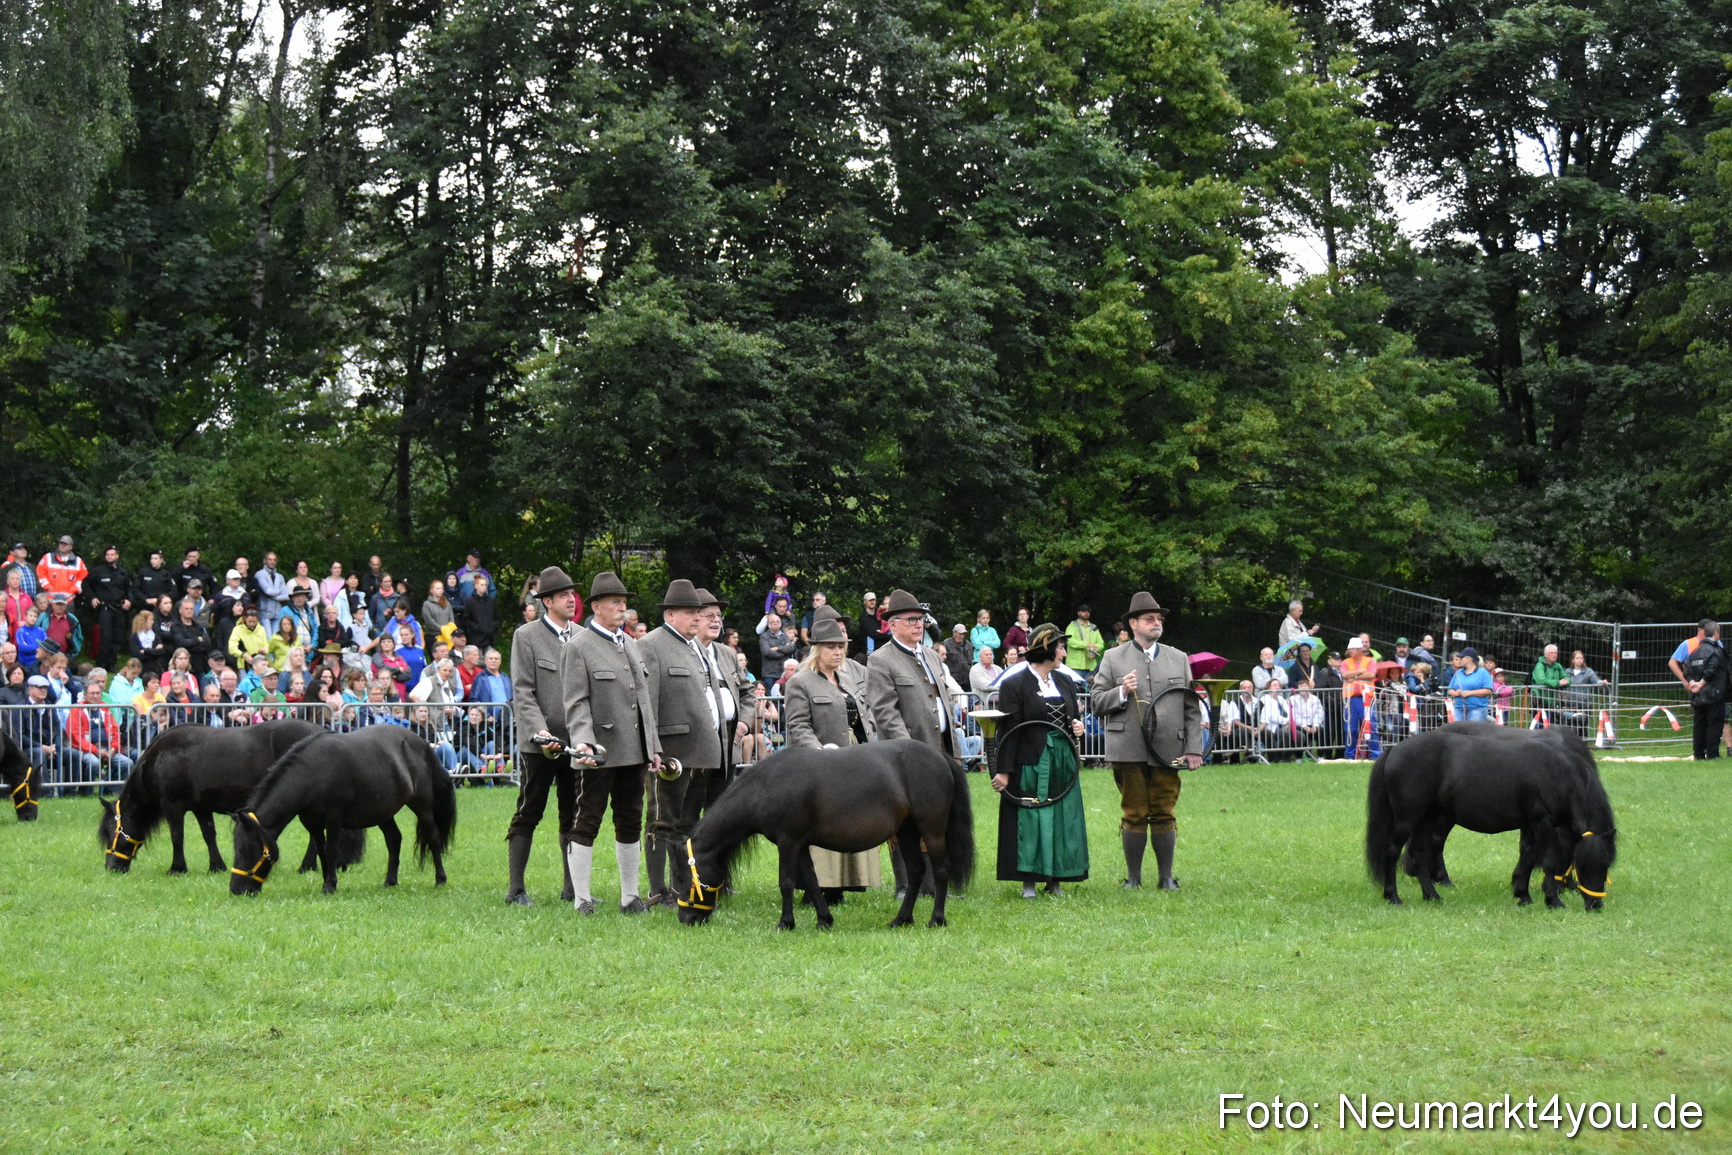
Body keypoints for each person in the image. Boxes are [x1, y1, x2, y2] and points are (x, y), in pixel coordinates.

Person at [559, 571, 662, 915]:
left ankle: (630, 896)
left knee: (630, 818)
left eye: (624, 603)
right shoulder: (578, 646)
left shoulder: (630, 643)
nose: (623, 609)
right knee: (587, 819)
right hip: (598, 752)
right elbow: (575, 701)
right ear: (597, 607)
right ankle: (582, 898)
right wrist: (584, 743)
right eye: (616, 603)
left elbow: (644, 701)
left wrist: (654, 747)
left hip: (633, 749)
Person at [1089, 591, 1203, 890]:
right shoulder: (1113, 657)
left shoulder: (1178, 658)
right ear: (1134, 624)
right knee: (1134, 812)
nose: (1157, 623)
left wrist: (1193, 749)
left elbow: (1191, 708)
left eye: (1159, 618)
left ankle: (1166, 878)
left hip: (1168, 750)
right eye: (1150, 619)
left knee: (1164, 811)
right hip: (1128, 750)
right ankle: (1134, 878)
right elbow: (1096, 702)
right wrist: (1122, 692)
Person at [637, 580, 732, 909]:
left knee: (687, 824)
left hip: (701, 752)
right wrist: (652, 748)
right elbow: (645, 703)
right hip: (670, 752)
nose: (697, 617)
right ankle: (656, 891)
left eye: (698, 612)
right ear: (670, 613)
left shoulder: (696, 648)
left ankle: (681, 888)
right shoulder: (651, 645)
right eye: (690, 612)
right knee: (661, 821)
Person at [867, 589, 962, 896]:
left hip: (942, 750)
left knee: (939, 818)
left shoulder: (932, 655)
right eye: (911, 620)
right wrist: (910, 753)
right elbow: (884, 711)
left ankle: (937, 882)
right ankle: (907, 884)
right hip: (906, 757)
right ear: (892, 624)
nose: (919, 625)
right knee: (904, 821)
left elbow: (943, 698)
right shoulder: (880, 660)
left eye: (921, 619)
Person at [782, 612, 878, 901]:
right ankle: (817, 887)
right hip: (817, 764)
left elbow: (865, 717)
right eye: (831, 647)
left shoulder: (847, 679)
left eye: (841, 646)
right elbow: (798, 726)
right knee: (820, 823)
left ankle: (843, 884)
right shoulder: (801, 682)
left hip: (852, 758)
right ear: (816, 649)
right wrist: (819, 754)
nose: (838, 652)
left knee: (848, 820)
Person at [990, 623, 1089, 898]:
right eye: (1060, 648)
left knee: (1061, 818)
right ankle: (1029, 880)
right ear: (1045, 650)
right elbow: (1008, 731)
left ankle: (1057, 877)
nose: (1064, 654)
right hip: (1030, 761)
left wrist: (1076, 727)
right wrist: (1004, 771)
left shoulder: (1065, 681)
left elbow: (1070, 719)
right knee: (1032, 818)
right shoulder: (1014, 684)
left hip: (1063, 761)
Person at [65, 680, 133, 785]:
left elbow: (115, 731)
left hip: (108, 749)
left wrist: (113, 749)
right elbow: (75, 736)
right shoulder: (77, 710)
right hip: (86, 750)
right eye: (92, 693)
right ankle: (87, 792)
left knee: (127, 763)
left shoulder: (105, 709)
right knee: (94, 763)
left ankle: (109, 789)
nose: (95, 696)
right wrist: (96, 751)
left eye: (98, 693)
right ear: (85, 695)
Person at [1682, 622, 1727, 760]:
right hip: (1714, 693)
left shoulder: (1694, 652)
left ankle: (1698, 754)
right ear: (1717, 633)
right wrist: (1701, 684)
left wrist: (1692, 683)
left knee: (1699, 724)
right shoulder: (1716, 651)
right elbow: (1712, 670)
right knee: (1714, 722)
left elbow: (1686, 669)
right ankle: (1713, 754)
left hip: (1697, 695)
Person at [85, 545, 132, 668]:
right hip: (105, 608)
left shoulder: (123, 572)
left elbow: (129, 589)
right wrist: (92, 598)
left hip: (119, 609)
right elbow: (86, 585)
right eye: (108, 555)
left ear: (117, 556)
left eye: (112, 554)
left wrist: (129, 601)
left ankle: (112, 664)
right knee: (106, 637)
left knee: (118, 637)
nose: (110, 557)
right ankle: (101, 664)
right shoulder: (98, 571)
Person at [1340, 637, 1377, 758]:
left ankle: (1375, 754)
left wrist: (1354, 677)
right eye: (1349, 649)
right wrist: (1360, 671)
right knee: (1350, 729)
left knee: (1370, 727)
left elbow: (1371, 674)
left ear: (1359, 649)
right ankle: (1350, 755)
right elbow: (1345, 675)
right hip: (1350, 700)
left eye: (1352, 649)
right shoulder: (1346, 662)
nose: (1350, 651)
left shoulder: (1370, 661)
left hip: (1366, 700)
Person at [36, 535, 88, 608]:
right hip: (49, 600)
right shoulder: (48, 557)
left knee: (67, 619)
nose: (62, 545)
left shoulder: (78, 561)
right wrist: (47, 586)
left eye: (65, 544)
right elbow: (40, 573)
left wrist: (75, 588)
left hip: (68, 600)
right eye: (61, 543)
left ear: (71, 547)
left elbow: (84, 577)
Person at [165, 598, 213, 674]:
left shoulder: (199, 626)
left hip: (201, 666)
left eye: (191, 609)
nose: (189, 610)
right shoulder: (175, 627)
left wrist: (191, 645)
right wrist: (197, 640)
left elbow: (207, 643)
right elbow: (181, 643)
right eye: (187, 608)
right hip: (183, 668)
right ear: (180, 610)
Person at [1447, 647, 1495, 722]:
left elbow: (1489, 690)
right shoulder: (1458, 672)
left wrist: (1469, 693)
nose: (1459, 660)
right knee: (1456, 732)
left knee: (1472, 733)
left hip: (1477, 709)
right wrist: (1455, 693)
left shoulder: (1483, 672)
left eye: (1461, 658)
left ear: (1468, 659)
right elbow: (1450, 689)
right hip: (1458, 708)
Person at [456, 574, 498, 649]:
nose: (484, 587)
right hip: (476, 638)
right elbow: (466, 619)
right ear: (476, 586)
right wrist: (476, 627)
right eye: (481, 585)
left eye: (485, 585)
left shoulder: (491, 601)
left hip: (489, 637)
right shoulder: (470, 602)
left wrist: (492, 627)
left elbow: (496, 617)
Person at [1063, 604, 1104, 677]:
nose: (1086, 613)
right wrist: (1085, 644)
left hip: (1090, 666)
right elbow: (1070, 641)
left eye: (1088, 611)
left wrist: (1096, 647)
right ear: (1078, 613)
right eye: (1083, 611)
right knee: (1075, 688)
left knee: (1088, 688)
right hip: (1075, 666)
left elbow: (1101, 643)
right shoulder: (1072, 626)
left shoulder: (1094, 627)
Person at [758, 612, 798, 680]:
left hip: (784, 672)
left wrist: (778, 648)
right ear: (769, 624)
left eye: (777, 621)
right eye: (773, 622)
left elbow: (791, 648)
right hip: (770, 673)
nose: (775, 623)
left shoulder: (784, 635)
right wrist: (784, 653)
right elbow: (767, 652)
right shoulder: (764, 637)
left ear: (780, 623)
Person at [1529, 643, 1566, 714]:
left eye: (1555, 653)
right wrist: (1558, 683)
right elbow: (1541, 681)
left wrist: (1566, 681)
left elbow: (1566, 679)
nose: (1554, 655)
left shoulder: (1558, 666)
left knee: (1553, 723)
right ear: (1545, 654)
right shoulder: (1539, 666)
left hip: (1554, 702)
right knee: (1540, 724)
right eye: (1552, 653)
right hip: (1540, 700)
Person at [1290, 680, 1323, 756]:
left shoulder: (1315, 699)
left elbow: (1319, 713)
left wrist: (1315, 725)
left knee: (1321, 731)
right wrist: (1305, 726)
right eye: (1301, 686)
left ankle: (1320, 756)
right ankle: (1300, 757)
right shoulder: (1293, 699)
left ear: (1309, 687)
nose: (1303, 688)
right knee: (1300, 734)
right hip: (1300, 725)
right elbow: (1294, 715)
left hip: (1313, 723)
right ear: (1297, 688)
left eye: (1305, 686)